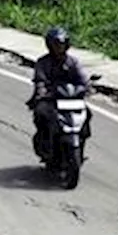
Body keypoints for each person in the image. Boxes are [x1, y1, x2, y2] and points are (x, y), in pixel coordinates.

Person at [26, 26, 92, 158]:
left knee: (88, 114)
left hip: (69, 98)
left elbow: (82, 79)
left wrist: (87, 87)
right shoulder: (43, 62)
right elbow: (40, 80)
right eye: (56, 45)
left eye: (61, 44)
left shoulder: (73, 62)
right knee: (41, 113)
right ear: (50, 45)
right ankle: (45, 143)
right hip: (50, 98)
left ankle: (81, 141)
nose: (59, 48)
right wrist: (41, 92)